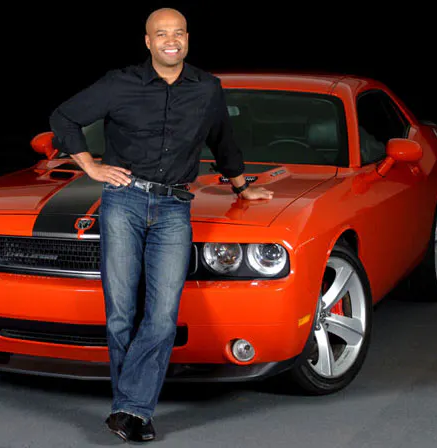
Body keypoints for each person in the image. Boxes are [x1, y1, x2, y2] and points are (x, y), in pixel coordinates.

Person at [49, 7, 274, 442]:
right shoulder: (120, 83)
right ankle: (132, 410)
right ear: (148, 42)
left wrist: (242, 187)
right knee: (120, 313)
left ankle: (129, 408)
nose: (171, 40)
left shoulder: (206, 88)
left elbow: (223, 140)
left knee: (163, 315)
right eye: (162, 34)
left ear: (187, 39)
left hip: (174, 208)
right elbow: (64, 117)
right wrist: (90, 166)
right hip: (123, 202)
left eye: (179, 33)